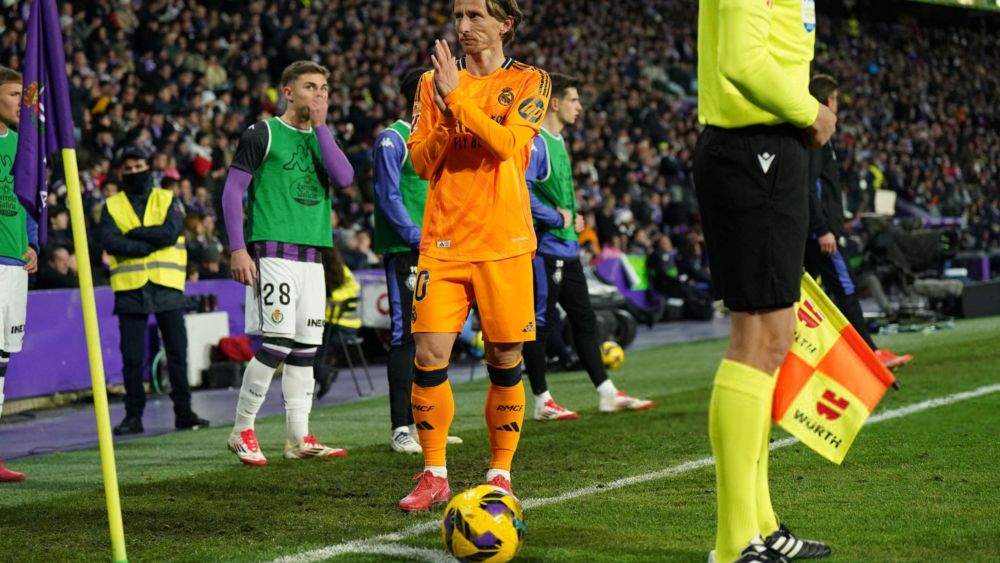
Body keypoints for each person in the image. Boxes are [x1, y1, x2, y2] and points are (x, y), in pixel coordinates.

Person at [694, 2, 837, 562]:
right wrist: (811, 111)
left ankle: (761, 524)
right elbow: (742, 60)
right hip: (750, 149)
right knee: (753, 342)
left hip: (772, 152)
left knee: (775, 340)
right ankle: (733, 545)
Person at [398, 0, 550, 512]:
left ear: (505, 23)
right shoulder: (431, 82)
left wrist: (458, 100)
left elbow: (507, 144)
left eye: (475, 17)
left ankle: (500, 471)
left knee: (505, 358)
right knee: (428, 356)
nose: (463, 27)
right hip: (442, 242)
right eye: (458, 16)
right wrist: (443, 115)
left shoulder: (532, 82)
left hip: (504, 242)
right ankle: (433, 472)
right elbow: (420, 163)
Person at [222, 60, 354, 466]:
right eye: (311, 87)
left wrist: (322, 127)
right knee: (277, 344)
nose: (319, 94)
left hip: (314, 257)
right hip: (274, 253)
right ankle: (241, 428)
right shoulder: (262, 133)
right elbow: (232, 192)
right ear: (288, 91)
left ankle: (299, 438)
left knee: (305, 350)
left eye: (325, 88)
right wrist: (237, 248)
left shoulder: (320, 138)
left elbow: (346, 178)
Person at [521, 73, 653, 420]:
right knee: (541, 322)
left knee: (585, 319)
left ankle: (606, 392)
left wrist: (574, 219)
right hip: (545, 250)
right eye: (574, 100)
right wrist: (555, 217)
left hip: (567, 248)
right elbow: (522, 189)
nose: (580, 107)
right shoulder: (536, 143)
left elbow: (560, 194)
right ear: (555, 102)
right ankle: (540, 400)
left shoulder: (559, 141)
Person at [372, 68, 464, 454]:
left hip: (438, 249)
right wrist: (417, 237)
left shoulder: (435, 137)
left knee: (433, 337)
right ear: (420, 94)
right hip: (407, 251)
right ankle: (400, 428)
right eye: (438, 90)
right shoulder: (392, 139)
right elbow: (388, 195)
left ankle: (427, 425)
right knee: (405, 336)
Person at [98, 146, 210, 436]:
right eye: (129, 168)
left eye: (138, 166)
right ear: (122, 172)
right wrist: (149, 243)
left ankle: (184, 413)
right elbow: (110, 241)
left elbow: (170, 234)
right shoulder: (111, 205)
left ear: (148, 167)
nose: (134, 172)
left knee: (177, 354)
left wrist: (133, 236)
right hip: (130, 291)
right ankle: (133, 417)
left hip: (167, 287)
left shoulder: (168, 198)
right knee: (132, 359)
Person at [803, 74, 911, 370]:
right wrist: (824, 228)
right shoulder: (816, 136)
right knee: (845, 287)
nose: (838, 104)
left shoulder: (817, 137)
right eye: (836, 99)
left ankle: (797, 359)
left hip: (816, 231)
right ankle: (870, 355)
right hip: (818, 234)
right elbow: (810, 187)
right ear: (827, 101)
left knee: (800, 297)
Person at [0, 66, 38, 482]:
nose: (22, 104)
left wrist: (33, 243)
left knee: (1, 364)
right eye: (14, 95)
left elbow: (29, 202)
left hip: (14, 264)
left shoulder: (23, 148)